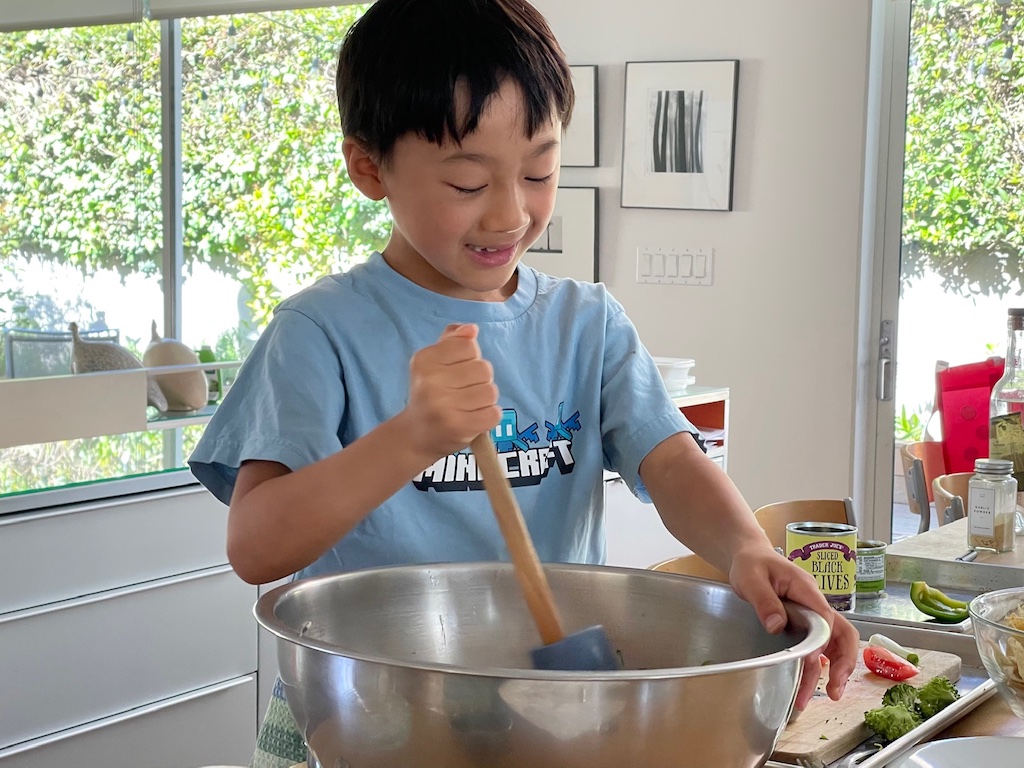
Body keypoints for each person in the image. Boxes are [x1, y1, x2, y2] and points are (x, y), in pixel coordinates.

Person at [188, 1, 859, 765]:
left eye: (540, 170)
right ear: (369, 168)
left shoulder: (586, 322)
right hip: (370, 716)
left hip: (553, 706)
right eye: (469, 182)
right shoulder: (319, 332)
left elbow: (670, 462)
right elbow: (257, 546)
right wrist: (413, 437)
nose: (512, 213)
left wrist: (744, 548)